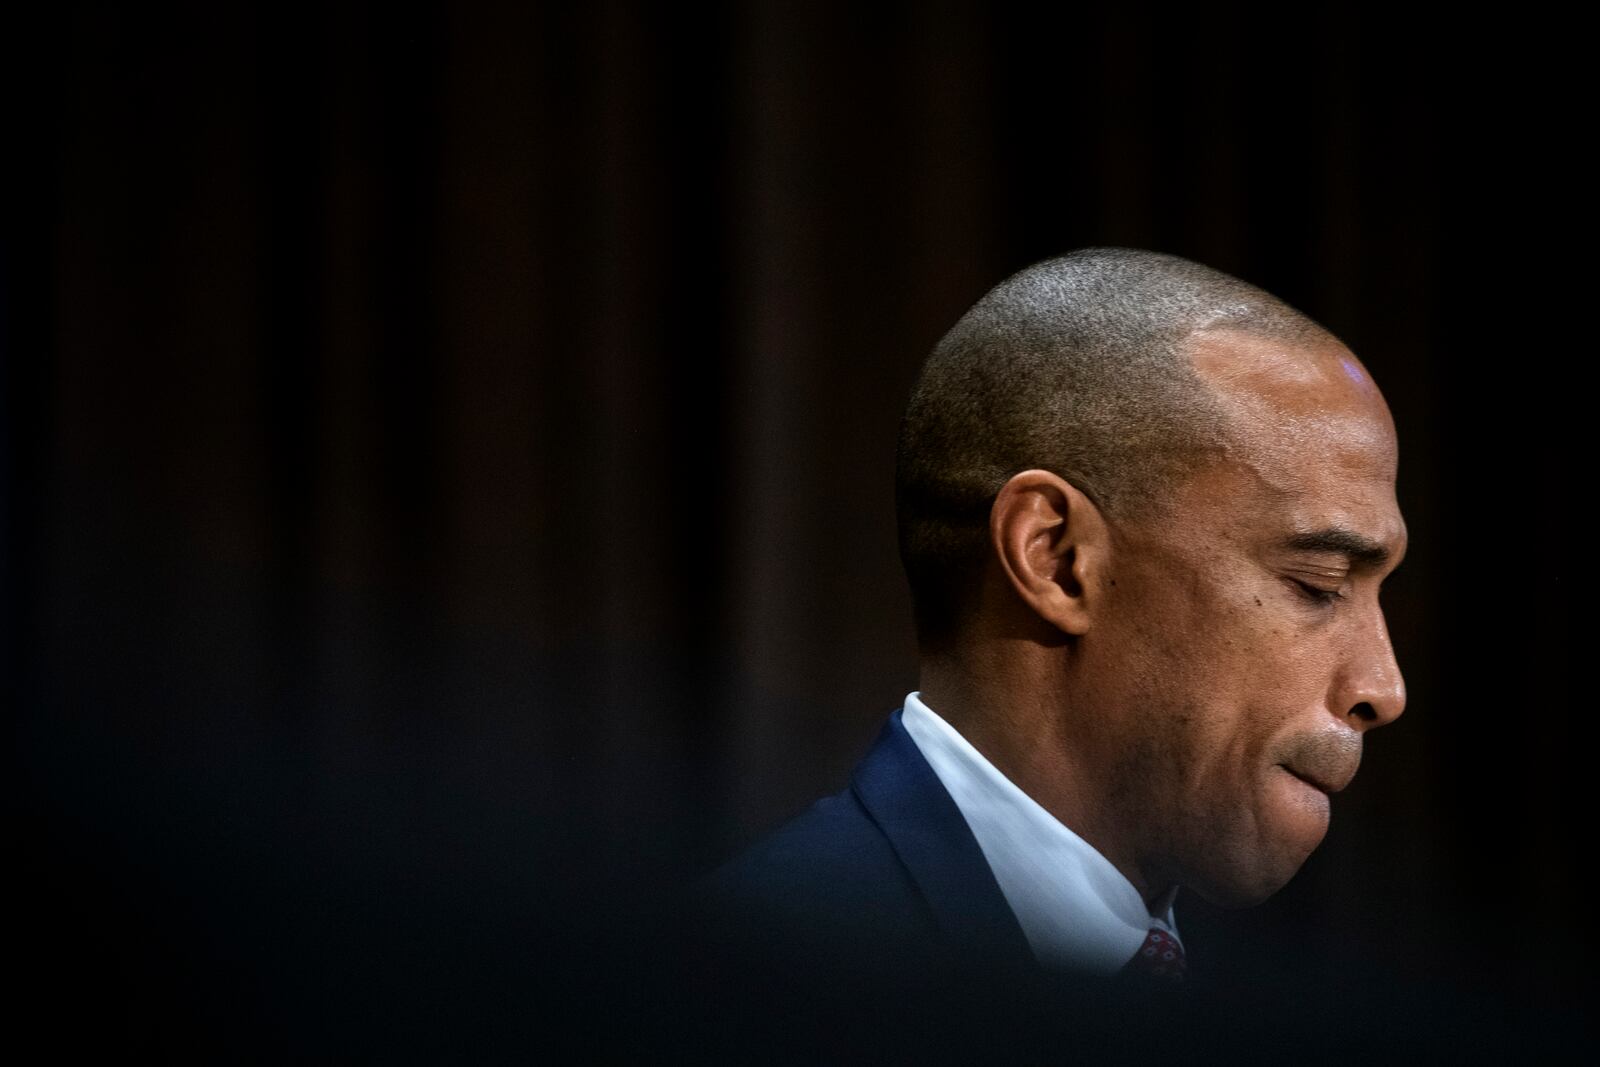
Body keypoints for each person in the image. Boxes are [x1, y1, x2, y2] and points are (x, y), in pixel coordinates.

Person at [687, 247, 1407, 1052]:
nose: (1384, 686)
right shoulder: (743, 995)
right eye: (1318, 582)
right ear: (1056, 559)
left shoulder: (1287, 1013)